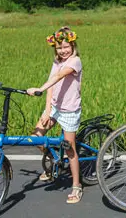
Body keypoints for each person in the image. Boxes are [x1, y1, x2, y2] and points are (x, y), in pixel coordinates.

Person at [26, 26, 85, 204]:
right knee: (35, 137)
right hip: (54, 108)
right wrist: (46, 110)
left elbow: (59, 77)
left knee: (70, 149)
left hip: (69, 111)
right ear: (55, 49)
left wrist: (39, 89)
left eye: (66, 47)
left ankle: (77, 185)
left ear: (73, 46)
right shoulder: (57, 62)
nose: (63, 50)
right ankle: (54, 161)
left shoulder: (75, 62)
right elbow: (52, 86)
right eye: (59, 48)